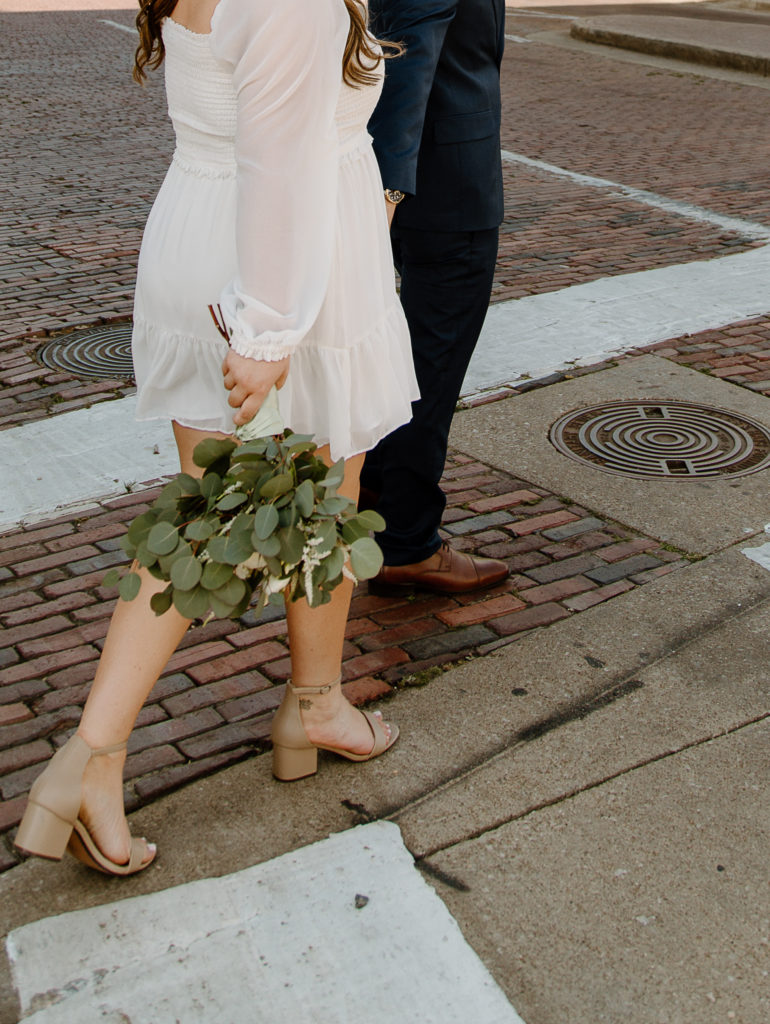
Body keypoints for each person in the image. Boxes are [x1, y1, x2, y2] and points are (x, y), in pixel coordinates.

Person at [14, 0, 418, 876]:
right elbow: (281, 166)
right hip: (268, 264)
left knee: (290, 507)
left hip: (215, 237)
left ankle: (314, 703)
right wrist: (266, 332)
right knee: (227, 522)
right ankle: (93, 757)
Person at [360, 0, 509, 595]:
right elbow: (406, 56)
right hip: (447, 192)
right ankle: (407, 543)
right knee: (430, 368)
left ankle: (377, 483)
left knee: (413, 356)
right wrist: (385, 198)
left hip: (438, 177)